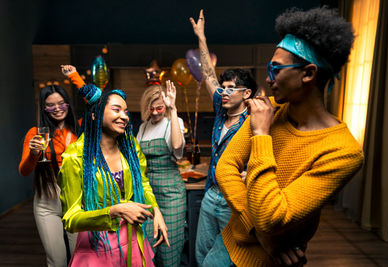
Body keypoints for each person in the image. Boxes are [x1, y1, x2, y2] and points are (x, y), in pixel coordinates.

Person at [215, 7, 364, 266]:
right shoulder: (269, 109)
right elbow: (225, 167)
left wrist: (261, 135)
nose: (268, 78)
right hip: (228, 246)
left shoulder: (344, 151)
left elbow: (272, 216)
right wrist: (259, 233)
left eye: (276, 69)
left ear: (307, 73)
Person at [58, 66, 169, 266]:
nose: (125, 116)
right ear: (96, 115)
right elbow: (71, 219)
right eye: (116, 110)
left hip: (133, 240)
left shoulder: (130, 147)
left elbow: (142, 183)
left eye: (126, 111)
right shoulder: (75, 157)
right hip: (97, 244)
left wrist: (156, 210)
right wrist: (114, 211)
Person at [189, 10, 257, 266]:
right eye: (223, 87)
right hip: (211, 195)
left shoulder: (253, 122)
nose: (224, 92)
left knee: (228, 259)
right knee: (201, 255)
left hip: (233, 200)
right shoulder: (220, 112)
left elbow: (269, 154)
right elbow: (208, 74)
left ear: (246, 93)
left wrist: (251, 173)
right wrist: (201, 38)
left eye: (231, 88)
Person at [19, 85, 78, 267]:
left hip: (77, 200)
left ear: (68, 104)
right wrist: (34, 154)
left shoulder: (80, 129)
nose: (57, 108)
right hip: (48, 200)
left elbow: (97, 103)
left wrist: (74, 77)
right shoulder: (35, 134)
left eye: (61, 103)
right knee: (57, 260)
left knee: (79, 258)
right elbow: (24, 170)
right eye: (51, 105)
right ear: (44, 108)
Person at [136, 81, 186, 267]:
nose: (156, 112)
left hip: (171, 194)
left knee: (169, 247)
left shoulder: (174, 122)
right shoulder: (143, 127)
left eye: (160, 108)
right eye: (151, 108)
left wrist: (172, 109)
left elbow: (176, 146)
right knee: (146, 245)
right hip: (148, 193)